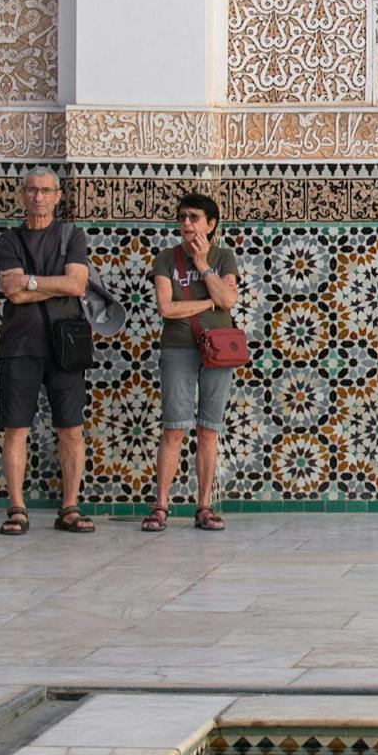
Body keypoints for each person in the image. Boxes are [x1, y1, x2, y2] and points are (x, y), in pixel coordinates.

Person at [0, 167, 94, 535]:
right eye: (33, 190)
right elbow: (13, 293)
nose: (39, 196)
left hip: (65, 347)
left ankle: (69, 506)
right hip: (20, 346)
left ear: (57, 196)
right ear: (23, 194)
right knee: (15, 427)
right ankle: (16, 507)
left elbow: (77, 284)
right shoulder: (9, 240)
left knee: (71, 429)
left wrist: (32, 281)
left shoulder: (72, 236)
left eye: (46, 190)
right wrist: (58, 285)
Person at [147, 190, 242, 533]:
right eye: (182, 217)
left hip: (218, 350)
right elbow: (167, 308)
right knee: (174, 427)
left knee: (208, 429)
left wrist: (203, 266)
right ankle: (161, 505)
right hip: (178, 349)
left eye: (194, 218)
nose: (186, 224)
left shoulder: (223, 257)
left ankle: (204, 506)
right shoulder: (165, 259)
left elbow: (229, 297)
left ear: (211, 224)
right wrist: (207, 304)